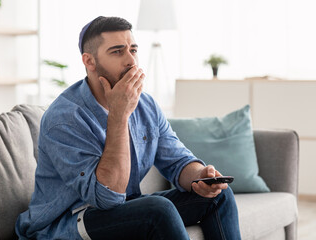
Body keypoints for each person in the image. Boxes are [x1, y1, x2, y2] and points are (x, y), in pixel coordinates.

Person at [15, 16, 241, 240]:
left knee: (219, 195)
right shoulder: (64, 118)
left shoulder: (146, 105)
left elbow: (177, 161)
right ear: (89, 61)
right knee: (157, 209)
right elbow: (107, 197)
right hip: (68, 221)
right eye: (117, 51)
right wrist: (119, 115)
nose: (131, 61)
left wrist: (200, 177)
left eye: (133, 50)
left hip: (120, 208)